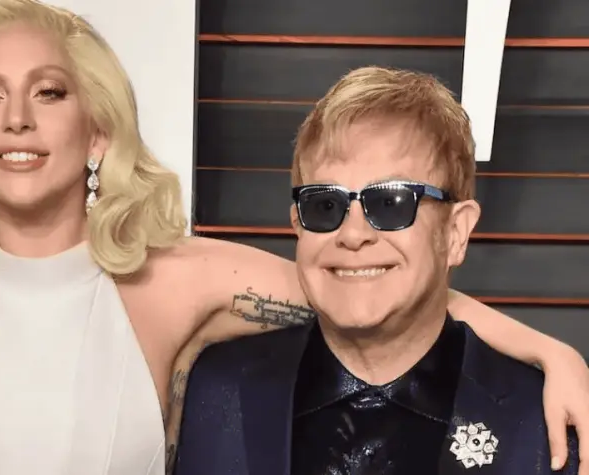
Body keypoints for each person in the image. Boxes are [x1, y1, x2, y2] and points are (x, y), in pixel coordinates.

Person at [0, 1, 589, 474]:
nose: (17, 120)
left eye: (50, 91)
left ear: (97, 132)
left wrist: (550, 353)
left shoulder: (173, 284)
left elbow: (361, 284)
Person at [174, 67, 581, 475]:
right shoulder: (211, 393)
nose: (353, 234)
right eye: (326, 205)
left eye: (390, 203)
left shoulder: (550, 427)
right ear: (298, 226)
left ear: (455, 232)